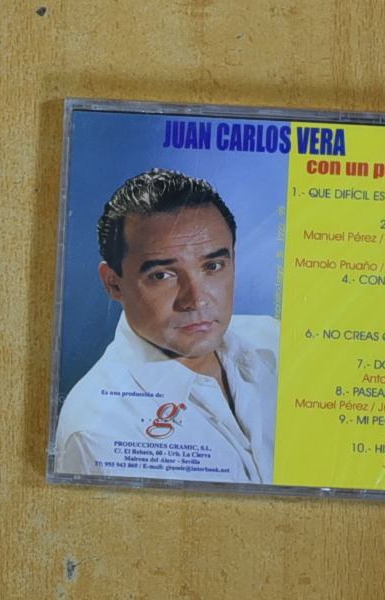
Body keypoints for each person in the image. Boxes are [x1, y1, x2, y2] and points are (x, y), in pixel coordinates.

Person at [55, 169, 279, 484]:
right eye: (162, 275)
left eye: (213, 266)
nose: (196, 300)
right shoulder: (99, 430)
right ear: (114, 284)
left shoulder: (275, 339)